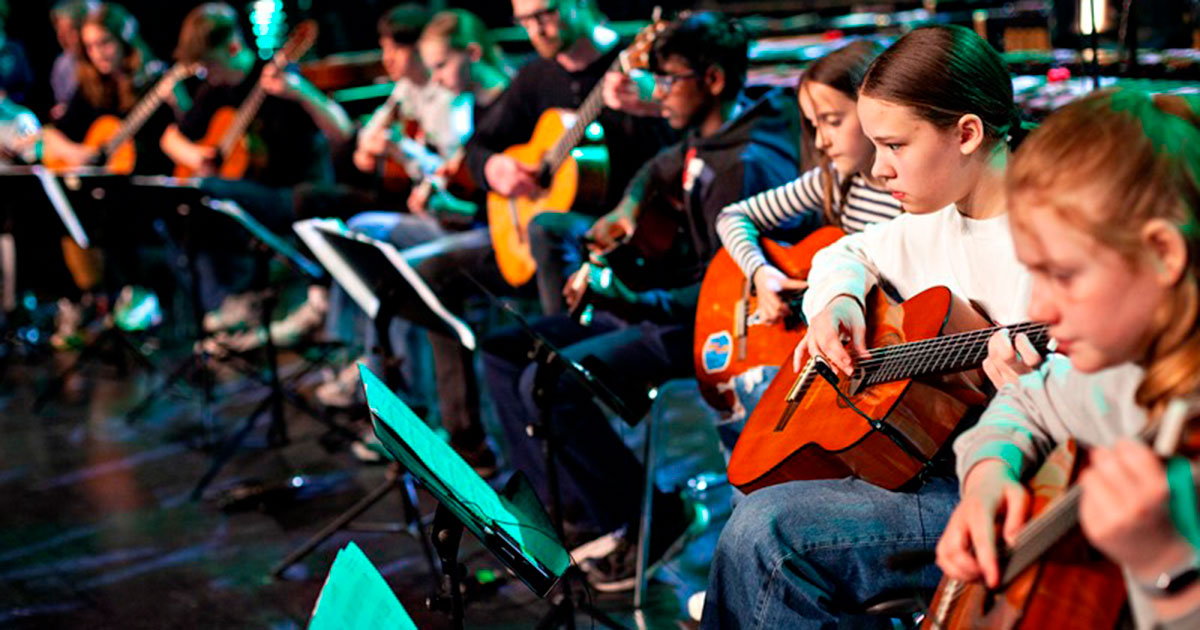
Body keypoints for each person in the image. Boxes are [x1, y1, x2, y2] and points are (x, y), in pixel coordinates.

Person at [701, 24, 1039, 628]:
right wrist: (839, 307)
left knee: (766, 533)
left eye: (894, 146)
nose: (879, 171)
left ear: (966, 133)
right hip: (929, 464)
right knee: (752, 495)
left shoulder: (1049, 239)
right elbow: (844, 255)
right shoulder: (937, 219)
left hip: (1006, 488)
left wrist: (1027, 389)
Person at [483, 11, 800, 592]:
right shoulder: (708, 134)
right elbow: (660, 165)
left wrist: (631, 298)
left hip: (712, 327)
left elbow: (724, 291)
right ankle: (571, 509)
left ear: (711, 80)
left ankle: (645, 521)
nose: (656, 94)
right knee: (503, 347)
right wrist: (630, 206)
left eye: (667, 80)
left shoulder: (747, 164)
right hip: (668, 304)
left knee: (552, 381)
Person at [939, 88, 1200, 630]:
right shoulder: (1114, 375)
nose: (1037, 308)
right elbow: (1025, 400)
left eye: (1062, 274)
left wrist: (1167, 568)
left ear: (1163, 254)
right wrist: (988, 476)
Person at [708, 39, 902, 436]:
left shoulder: (912, 196)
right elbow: (732, 216)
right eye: (814, 125)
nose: (819, 142)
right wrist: (762, 274)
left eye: (833, 121)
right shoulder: (833, 180)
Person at [162, 2, 352, 345]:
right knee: (188, 194)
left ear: (233, 48)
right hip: (247, 195)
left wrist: (299, 91)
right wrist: (197, 154)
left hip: (293, 195)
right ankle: (223, 300)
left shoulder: (277, 77)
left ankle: (236, 298)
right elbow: (171, 138)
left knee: (204, 191)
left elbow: (342, 131)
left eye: (209, 64)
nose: (206, 73)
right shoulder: (215, 90)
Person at [43, 1, 175, 173]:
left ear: (124, 40)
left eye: (104, 43)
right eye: (90, 47)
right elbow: (52, 133)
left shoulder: (152, 83)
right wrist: (77, 154)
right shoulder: (91, 86)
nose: (98, 54)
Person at [49, 0, 88, 119]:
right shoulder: (62, 65)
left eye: (70, 31)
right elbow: (62, 102)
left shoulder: (100, 61)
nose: (62, 38)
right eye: (59, 31)